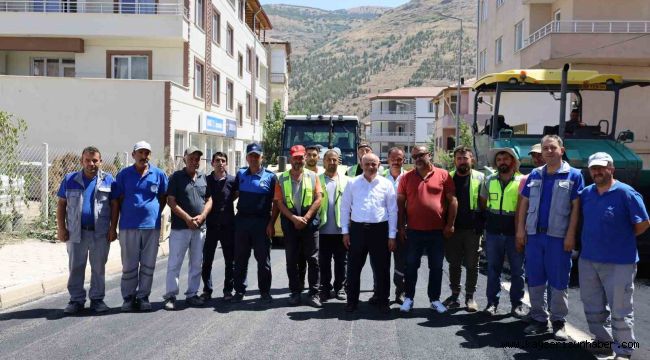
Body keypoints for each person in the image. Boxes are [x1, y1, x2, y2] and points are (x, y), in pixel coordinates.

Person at [579, 152, 649, 360]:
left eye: (602, 167)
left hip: (620, 262)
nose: (597, 172)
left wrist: (622, 238)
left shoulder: (626, 193)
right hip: (589, 259)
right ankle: (603, 342)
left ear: (611, 168)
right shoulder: (587, 193)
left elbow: (643, 223)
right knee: (592, 306)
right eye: (594, 168)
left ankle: (624, 351)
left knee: (621, 309)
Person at [517, 135, 584, 340]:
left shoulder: (574, 175)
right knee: (535, 278)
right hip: (535, 236)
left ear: (561, 150)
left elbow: (576, 208)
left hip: (558, 237)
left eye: (552, 148)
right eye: (545, 148)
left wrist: (571, 234)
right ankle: (538, 318)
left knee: (558, 280)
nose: (548, 151)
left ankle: (558, 321)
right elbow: (524, 204)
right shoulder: (534, 175)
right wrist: (521, 230)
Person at [398, 146, 457, 314]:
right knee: (411, 266)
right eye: (414, 156)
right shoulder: (406, 177)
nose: (417, 158)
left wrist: (450, 224)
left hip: (437, 231)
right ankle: (409, 298)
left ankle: (434, 299)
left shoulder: (443, 175)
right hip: (414, 231)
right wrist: (401, 226)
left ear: (429, 155)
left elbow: (452, 201)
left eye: (421, 155)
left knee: (436, 267)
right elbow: (400, 204)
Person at [110, 141, 168, 312]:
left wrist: (153, 212)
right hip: (128, 226)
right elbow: (117, 200)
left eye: (147, 153)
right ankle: (128, 298)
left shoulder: (158, 174)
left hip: (152, 226)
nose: (144, 156)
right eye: (141, 152)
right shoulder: (124, 174)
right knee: (129, 265)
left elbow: (163, 197)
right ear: (134, 154)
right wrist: (114, 226)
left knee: (148, 264)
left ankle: (143, 297)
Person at [56, 146, 115, 314]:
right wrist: (61, 228)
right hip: (76, 232)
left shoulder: (109, 180)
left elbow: (115, 204)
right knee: (76, 267)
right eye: (87, 160)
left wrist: (113, 228)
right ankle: (76, 300)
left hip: (100, 233)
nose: (91, 164)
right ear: (82, 161)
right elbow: (61, 204)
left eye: (95, 160)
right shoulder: (70, 179)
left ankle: (97, 300)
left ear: (100, 162)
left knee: (98, 267)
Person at [341, 153, 397, 313]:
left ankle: (383, 301)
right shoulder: (352, 183)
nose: (371, 167)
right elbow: (345, 208)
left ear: (379, 164)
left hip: (380, 230)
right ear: (361, 164)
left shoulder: (386, 184)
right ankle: (351, 301)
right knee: (353, 269)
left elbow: (393, 210)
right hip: (357, 230)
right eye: (367, 164)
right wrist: (345, 232)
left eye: (374, 164)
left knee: (382, 269)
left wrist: (391, 235)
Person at [163, 146, 213, 310]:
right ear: (185, 158)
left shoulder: (203, 178)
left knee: (196, 263)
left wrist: (203, 216)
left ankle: (192, 294)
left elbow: (209, 199)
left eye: (197, 158)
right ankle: (171, 296)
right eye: (191, 158)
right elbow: (171, 201)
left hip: (200, 228)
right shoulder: (176, 177)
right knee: (174, 263)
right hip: (180, 229)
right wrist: (187, 218)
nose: (194, 161)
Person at [479, 148, 526, 318]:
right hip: (493, 232)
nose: (502, 162)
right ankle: (492, 303)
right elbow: (483, 203)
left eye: (506, 159)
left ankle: (517, 305)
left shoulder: (523, 181)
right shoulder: (489, 180)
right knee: (493, 269)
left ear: (513, 162)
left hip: (514, 233)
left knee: (517, 271)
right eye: (499, 160)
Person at [274, 145, 323, 307]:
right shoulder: (281, 178)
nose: (298, 161)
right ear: (290, 159)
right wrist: (294, 218)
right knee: (291, 260)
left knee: (313, 259)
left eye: (301, 157)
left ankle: (314, 293)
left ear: (305, 159)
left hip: (309, 222)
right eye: (295, 158)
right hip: (290, 222)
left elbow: (318, 198)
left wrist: (306, 217)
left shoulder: (313, 176)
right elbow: (279, 203)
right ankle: (295, 292)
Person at [232, 143, 277, 303]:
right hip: (242, 221)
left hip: (261, 222)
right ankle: (239, 291)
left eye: (257, 156)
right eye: (251, 155)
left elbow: (276, 203)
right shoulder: (240, 174)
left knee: (263, 259)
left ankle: (264, 292)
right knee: (240, 258)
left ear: (262, 157)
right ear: (246, 157)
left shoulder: (271, 177)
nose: (253, 158)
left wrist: (271, 223)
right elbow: (232, 194)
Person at [442, 146, 484, 312]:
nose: (462, 161)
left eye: (465, 158)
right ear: (454, 160)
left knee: (473, 264)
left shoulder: (480, 177)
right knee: (454, 264)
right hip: (453, 230)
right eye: (459, 159)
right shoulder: (448, 178)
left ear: (471, 159)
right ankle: (454, 295)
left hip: (472, 230)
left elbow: (483, 203)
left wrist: (481, 224)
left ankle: (470, 296)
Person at [201, 152, 238, 301]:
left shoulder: (233, 181)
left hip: (228, 226)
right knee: (207, 260)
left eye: (223, 160)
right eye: (217, 160)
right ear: (212, 163)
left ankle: (228, 290)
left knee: (230, 261)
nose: (220, 163)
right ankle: (207, 290)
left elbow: (235, 195)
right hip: (210, 225)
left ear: (226, 163)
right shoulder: (206, 180)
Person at [318, 149, 349, 302]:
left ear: (339, 162)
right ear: (323, 161)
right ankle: (325, 288)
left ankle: (340, 287)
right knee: (323, 262)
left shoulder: (346, 181)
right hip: (322, 229)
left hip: (340, 230)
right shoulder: (316, 180)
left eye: (334, 160)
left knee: (341, 262)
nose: (332, 163)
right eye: (329, 160)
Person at [384, 147, 407, 304]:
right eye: (393, 158)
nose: (396, 162)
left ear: (404, 160)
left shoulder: (410, 177)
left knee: (401, 262)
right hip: (382, 226)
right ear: (388, 159)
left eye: (399, 159)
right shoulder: (379, 177)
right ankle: (380, 292)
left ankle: (400, 292)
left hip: (402, 226)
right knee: (381, 262)